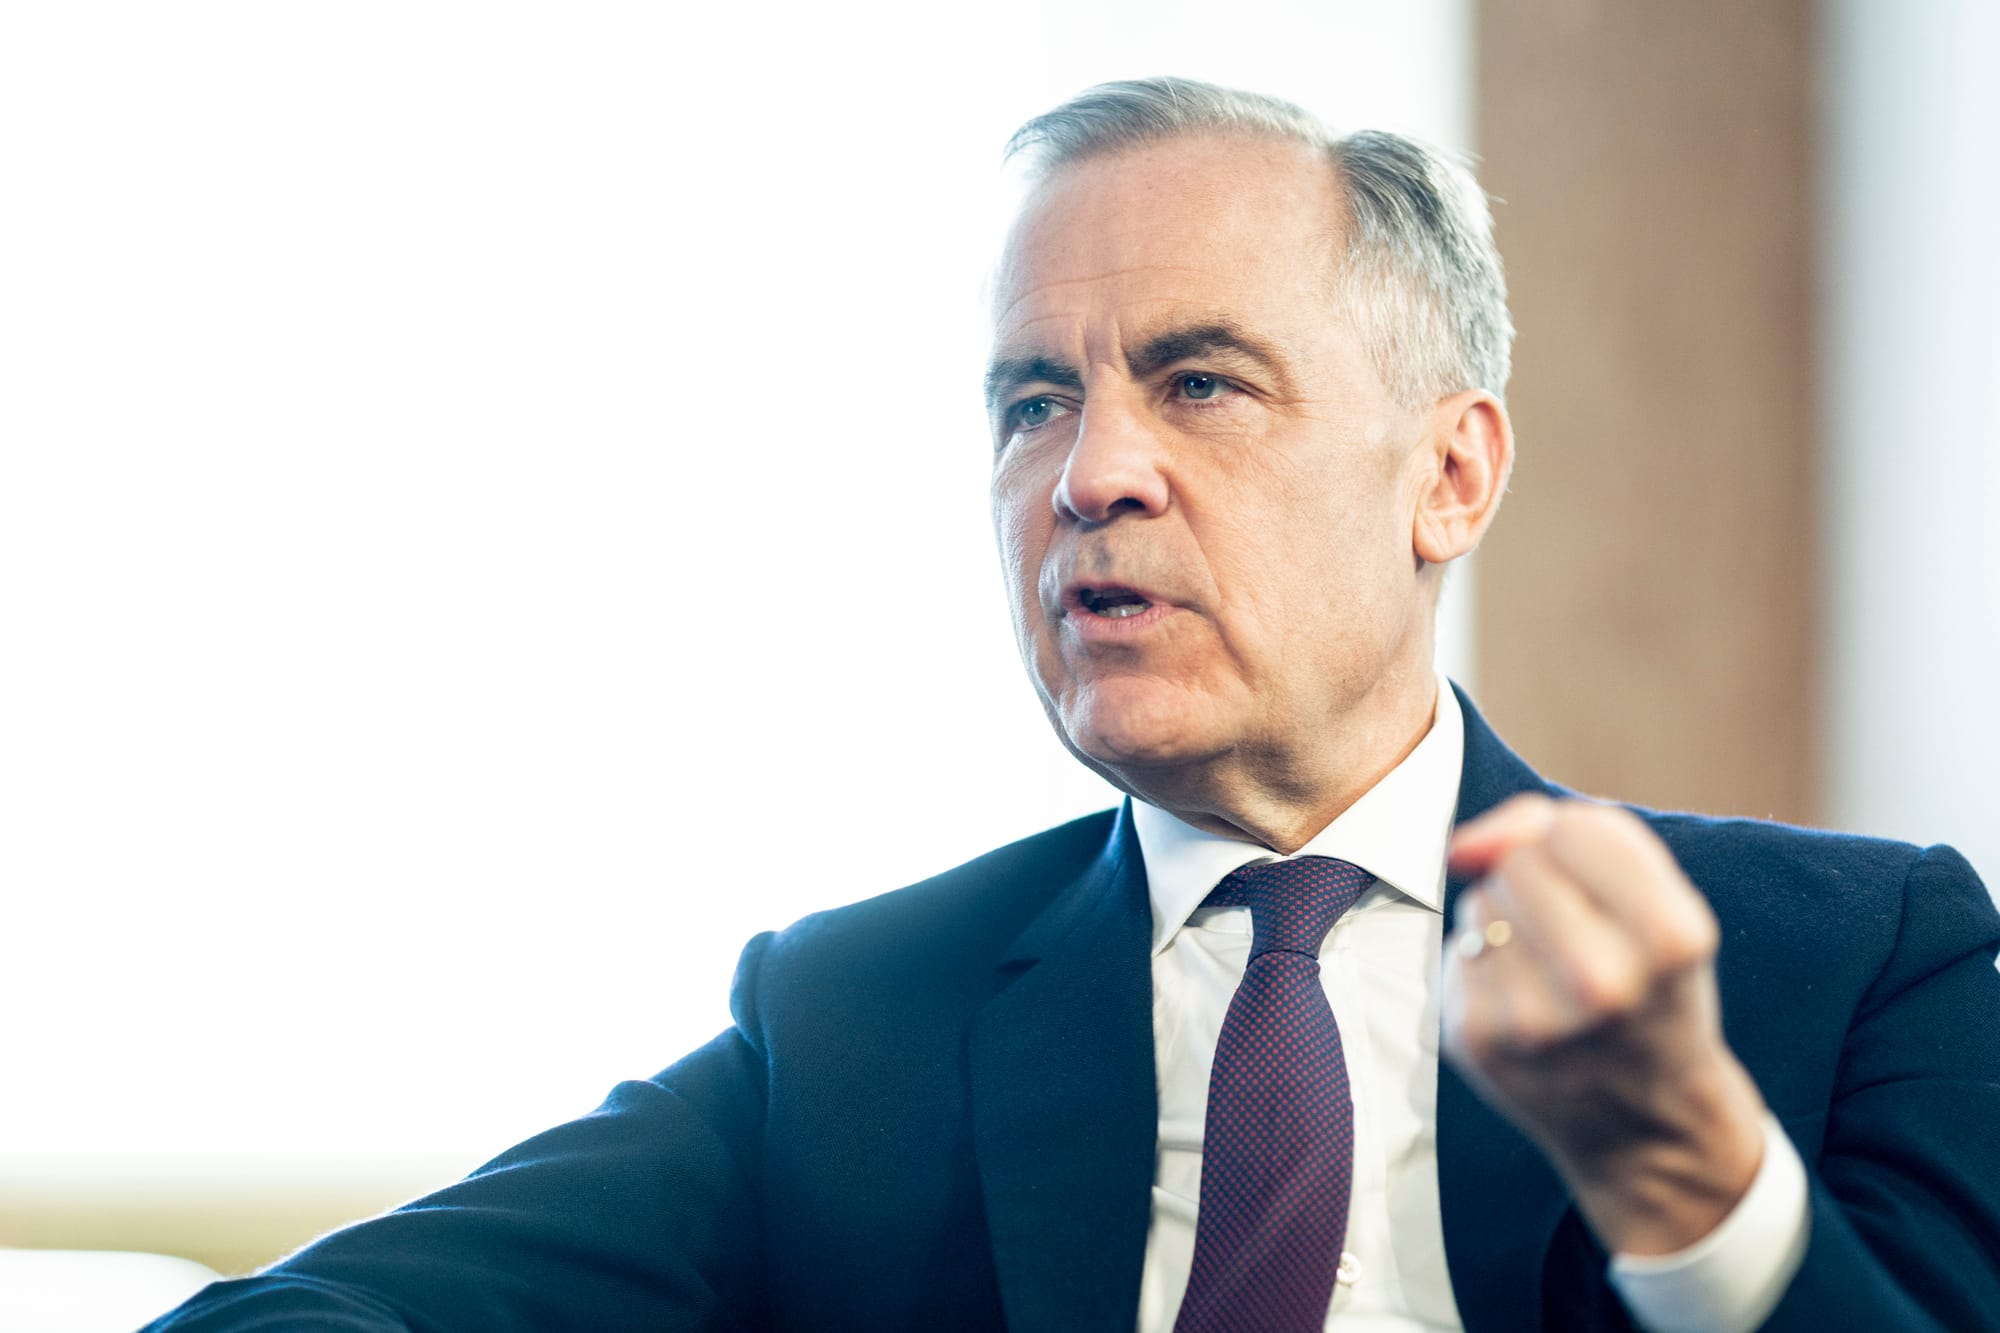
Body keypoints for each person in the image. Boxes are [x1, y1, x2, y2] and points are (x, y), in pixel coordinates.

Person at [147, 77, 2000, 1333]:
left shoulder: (1862, 959)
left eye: (1201, 383)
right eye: (1032, 402)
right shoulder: (853, 1019)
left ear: (1450, 474)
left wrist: (1693, 1176)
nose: (1091, 472)